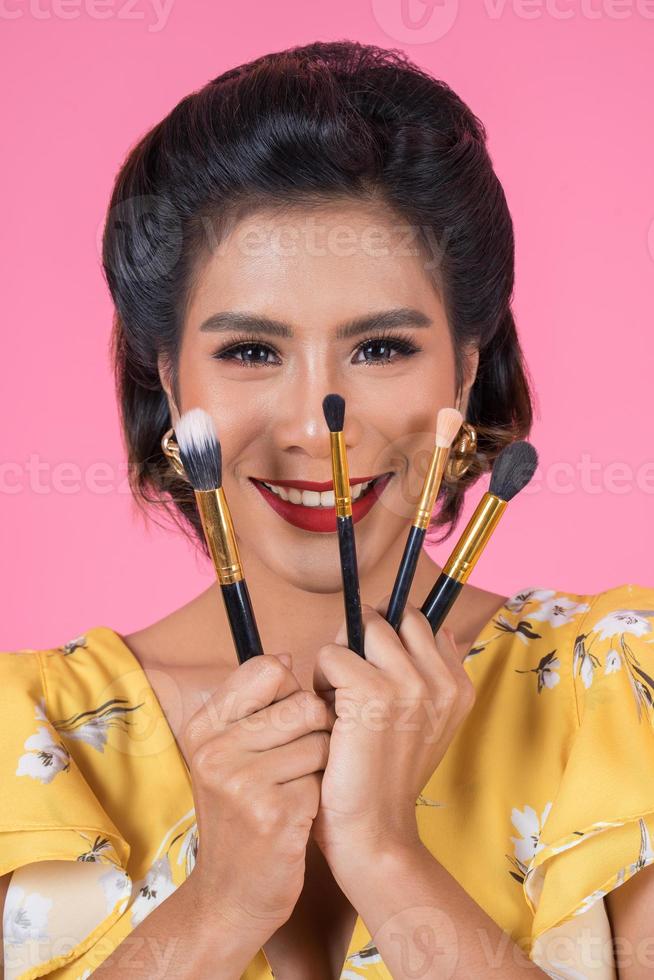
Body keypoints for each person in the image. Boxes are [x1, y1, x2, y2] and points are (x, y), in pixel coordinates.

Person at [2, 39, 653, 980]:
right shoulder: (24, 742)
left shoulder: (620, 699)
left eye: (382, 348)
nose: (315, 427)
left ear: (468, 367)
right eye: (251, 353)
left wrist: (390, 859)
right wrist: (220, 904)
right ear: (167, 372)